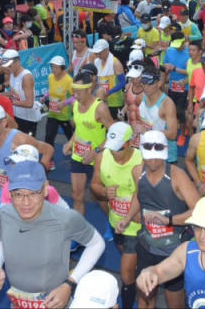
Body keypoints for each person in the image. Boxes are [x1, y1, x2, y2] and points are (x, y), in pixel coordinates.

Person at [0, 160, 106, 307]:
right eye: (18, 194)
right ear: (9, 193)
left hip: (54, 304)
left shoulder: (65, 218)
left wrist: (70, 283)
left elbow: (96, 243)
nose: (26, 203)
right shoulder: (4, 215)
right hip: (17, 303)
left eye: (33, 193)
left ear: (45, 189)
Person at [131, 130, 201, 309]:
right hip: (147, 246)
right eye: (149, 157)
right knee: (145, 297)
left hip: (173, 252)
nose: (153, 161)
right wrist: (128, 217)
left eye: (157, 158)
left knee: (174, 301)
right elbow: (138, 197)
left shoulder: (177, 176)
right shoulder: (137, 171)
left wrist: (168, 220)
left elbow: (198, 211)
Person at [92, 122, 143, 309]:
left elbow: (148, 192)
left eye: (119, 149)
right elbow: (94, 185)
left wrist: (139, 211)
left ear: (131, 142)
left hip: (136, 226)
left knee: (126, 274)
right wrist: (104, 192)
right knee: (126, 257)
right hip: (116, 222)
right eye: (111, 148)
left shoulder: (141, 160)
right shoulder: (102, 157)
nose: (115, 153)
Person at [0, 102, 53, 208]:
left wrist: (38, 175)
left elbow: (48, 150)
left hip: (24, 204)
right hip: (0, 200)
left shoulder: (20, 139)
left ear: (3, 123)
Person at [63, 70, 115, 216]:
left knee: (99, 197)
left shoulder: (100, 108)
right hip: (78, 156)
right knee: (76, 196)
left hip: (97, 160)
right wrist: (70, 142)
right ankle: (78, 229)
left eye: (79, 91)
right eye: (74, 91)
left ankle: (112, 223)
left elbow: (113, 134)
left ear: (89, 89)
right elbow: (79, 128)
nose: (75, 95)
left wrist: (96, 152)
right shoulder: (75, 104)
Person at [137, 65, 180, 163]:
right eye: (143, 84)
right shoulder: (141, 97)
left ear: (159, 83)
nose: (145, 87)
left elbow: (173, 134)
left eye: (149, 84)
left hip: (165, 155)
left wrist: (147, 132)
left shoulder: (167, 104)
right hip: (146, 151)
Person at [0, 49, 40, 135]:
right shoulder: (12, 74)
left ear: (17, 62)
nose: (7, 69)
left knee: (27, 146)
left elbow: (29, 103)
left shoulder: (26, 77)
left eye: (9, 66)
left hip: (28, 119)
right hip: (16, 116)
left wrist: (9, 102)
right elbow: (13, 94)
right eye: (6, 66)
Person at [44, 55, 74, 151]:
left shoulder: (68, 80)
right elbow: (51, 90)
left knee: (70, 137)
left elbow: (75, 96)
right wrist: (45, 96)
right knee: (49, 137)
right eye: (52, 67)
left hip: (64, 115)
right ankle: (50, 159)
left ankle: (76, 154)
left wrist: (64, 103)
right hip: (52, 113)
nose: (53, 69)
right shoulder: (50, 77)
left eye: (56, 67)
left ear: (62, 68)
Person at [92, 38, 126, 120]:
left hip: (115, 101)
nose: (98, 55)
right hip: (102, 99)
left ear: (107, 50)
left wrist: (108, 92)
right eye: (97, 53)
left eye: (100, 53)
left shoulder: (115, 63)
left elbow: (123, 82)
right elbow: (97, 80)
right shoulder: (96, 62)